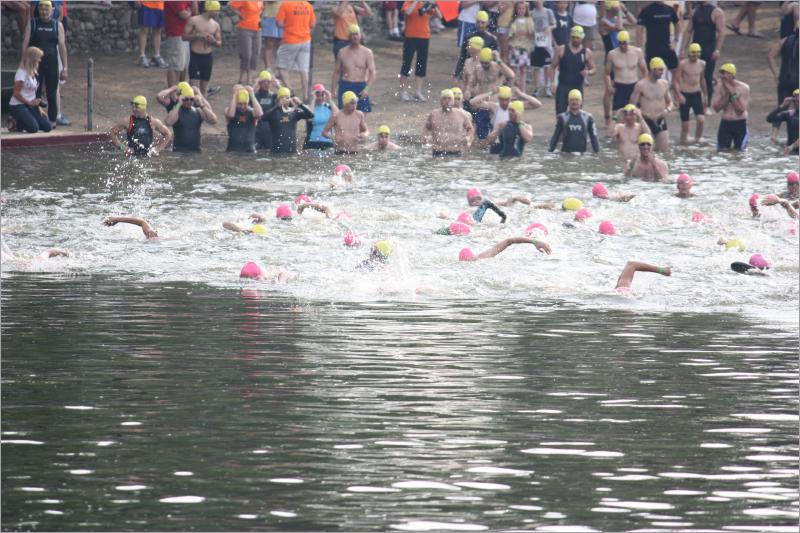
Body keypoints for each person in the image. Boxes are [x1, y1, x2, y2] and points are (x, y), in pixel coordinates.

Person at [21, 0, 68, 127]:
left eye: (47, 9)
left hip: (52, 64)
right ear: (38, 10)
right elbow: (25, 44)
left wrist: (65, 68)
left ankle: (52, 120)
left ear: (52, 11)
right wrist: (23, 63)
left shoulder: (57, 25)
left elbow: (62, 47)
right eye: (41, 9)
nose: (44, 12)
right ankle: (35, 118)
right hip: (35, 66)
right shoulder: (33, 23)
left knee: (52, 93)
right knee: (34, 93)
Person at [683, 1, 725, 107]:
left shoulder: (716, 11)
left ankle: (707, 104)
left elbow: (721, 32)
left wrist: (717, 50)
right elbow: (688, 31)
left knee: (707, 77)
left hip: (709, 49)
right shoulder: (695, 11)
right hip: (695, 49)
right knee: (690, 75)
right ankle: (692, 104)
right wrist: (683, 48)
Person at [467, 48, 516, 139]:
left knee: (496, 130)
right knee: (481, 131)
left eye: (486, 62)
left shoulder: (498, 67)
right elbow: (471, 84)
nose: (484, 65)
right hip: (482, 104)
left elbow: (511, 75)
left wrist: (499, 60)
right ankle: (482, 150)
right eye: (482, 62)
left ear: (491, 60)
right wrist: (468, 91)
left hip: (496, 103)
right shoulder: (478, 69)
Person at [604, 30, 646, 134]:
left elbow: (644, 71)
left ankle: (634, 139)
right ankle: (618, 141)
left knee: (635, 116)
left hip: (634, 87)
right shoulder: (612, 54)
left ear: (629, 41)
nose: (623, 46)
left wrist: (642, 86)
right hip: (619, 87)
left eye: (625, 43)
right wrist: (609, 86)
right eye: (621, 43)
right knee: (617, 117)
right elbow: (606, 73)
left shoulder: (637, 52)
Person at [399, 0, 441, 102]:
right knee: (406, 63)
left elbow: (439, 16)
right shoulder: (408, 2)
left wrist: (434, 5)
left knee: (421, 64)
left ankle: (418, 92)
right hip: (410, 37)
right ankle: (403, 91)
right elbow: (408, 12)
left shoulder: (425, 3)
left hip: (424, 37)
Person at [630, 56, 673, 152]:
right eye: (660, 70)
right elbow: (632, 106)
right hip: (645, 121)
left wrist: (667, 110)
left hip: (660, 120)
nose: (662, 73)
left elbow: (670, 102)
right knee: (647, 151)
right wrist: (643, 114)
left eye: (663, 70)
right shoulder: (641, 85)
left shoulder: (664, 83)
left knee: (664, 151)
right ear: (652, 69)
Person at [550, 25, 596, 115]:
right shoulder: (561, 49)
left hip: (577, 86)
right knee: (560, 114)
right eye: (573, 37)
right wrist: (552, 83)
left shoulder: (586, 52)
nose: (575, 40)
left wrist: (588, 72)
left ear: (582, 38)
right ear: (570, 37)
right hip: (563, 86)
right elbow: (552, 66)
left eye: (578, 38)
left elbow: (593, 68)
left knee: (576, 114)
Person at [276, 0, 316, 101]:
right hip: (306, 39)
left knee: (282, 67)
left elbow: (279, 23)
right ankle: (306, 95)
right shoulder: (308, 5)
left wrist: (289, 25)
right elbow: (312, 24)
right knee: (304, 69)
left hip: (290, 39)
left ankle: (291, 92)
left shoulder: (285, 4)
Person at [470, 85, 541, 139]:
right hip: (496, 141)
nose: (504, 102)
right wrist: (491, 93)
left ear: (511, 98)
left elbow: (537, 104)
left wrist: (520, 94)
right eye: (502, 99)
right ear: (498, 98)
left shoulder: (515, 106)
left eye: (507, 99)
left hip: (511, 140)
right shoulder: (494, 107)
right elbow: (472, 102)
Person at [332, 24, 375, 112]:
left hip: (361, 86)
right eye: (352, 34)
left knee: (361, 116)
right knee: (343, 115)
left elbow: (372, 73)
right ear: (348, 36)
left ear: (360, 35)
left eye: (356, 34)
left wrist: (366, 89)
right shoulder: (342, 52)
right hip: (346, 85)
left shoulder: (367, 53)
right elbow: (336, 72)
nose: (354, 37)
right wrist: (333, 90)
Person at [8, 46, 52, 134]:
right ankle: (15, 122)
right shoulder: (21, 73)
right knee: (33, 128)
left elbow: (32, 93)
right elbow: (16, 93)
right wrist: (29, 102)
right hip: (18, 105)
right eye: (38, 58)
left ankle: (27, 120)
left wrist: (38, 107)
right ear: (32, 59)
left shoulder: (33, 72)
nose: (40, 60)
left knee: (47, 127)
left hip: (30, 105)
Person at [183, 1, 222, 98]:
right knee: (194, 87)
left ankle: (203, 109)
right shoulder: (194, 20)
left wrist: (213, 41)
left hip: (207, 57)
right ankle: (192, 109)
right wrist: (197, 35)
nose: (218, 13)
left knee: (204, 88)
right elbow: (184, 37)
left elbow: (219, 43)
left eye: (218, 10)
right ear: (209, 10)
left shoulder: (215, 25)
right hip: (195, 56)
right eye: (215, 10)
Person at [767, 24, 799, 143]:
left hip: (784, 79)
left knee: (782, 105)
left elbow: (770, 56)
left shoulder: (784, 40)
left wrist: (776, 75)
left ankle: (773, 135)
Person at [165, 84, 217, 152]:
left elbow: (213, 120)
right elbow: (168, 122)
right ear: (181, 98)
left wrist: (201, 105)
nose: (189, 101)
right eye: (186, 99)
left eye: (191, 99)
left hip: (196, 151)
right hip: (179, 151)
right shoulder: (176, 111)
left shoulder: (198, 111)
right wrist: (178, 104)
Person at [423, 89, 474, 156]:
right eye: (444, 98)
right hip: (437, 152)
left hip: (456, 152)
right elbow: (426, 128)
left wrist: (468, 139)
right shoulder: (434, 114)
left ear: (453, 101)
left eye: (449, 99)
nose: (447, 101)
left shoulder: (461, 115)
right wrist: (425, 138)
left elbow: (470, 129)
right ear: (440, 101)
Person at [673, 43, 707, 145]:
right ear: (689, 53)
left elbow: (702, 79)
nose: (695, 56)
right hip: (685, 95)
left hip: (696, 94)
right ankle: (683, 143)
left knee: (701, 120)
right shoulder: (683, 64)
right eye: (693, 54)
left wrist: (706, 96)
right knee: (685, 124)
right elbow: (675, 81)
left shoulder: (702, 64)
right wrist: (679, 95)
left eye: (697, 54)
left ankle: (698, 139)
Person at [712, 63, 750, 151]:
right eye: (720, 73)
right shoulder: (718, 87)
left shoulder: (744, 88)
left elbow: (740, 110)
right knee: (722, 151)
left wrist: (732, 92)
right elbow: (716, 108)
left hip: (740, 123)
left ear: (731, 74)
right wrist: (727, 93)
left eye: (723, 73)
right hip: (725, 124)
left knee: (739, 153)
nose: (721, 76)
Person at [263, 86, 313, 153]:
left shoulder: (294, 112)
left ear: (290, 99)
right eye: (282, 98)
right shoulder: (273, 113)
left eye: (286, 98)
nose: (284, 100)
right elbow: (262, 118)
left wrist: (301, 104)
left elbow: (311, 115)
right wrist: (277, 106)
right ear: (278, 99)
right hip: (276, 152)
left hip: (291, 151)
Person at [548, 89, 599, 153]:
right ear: (568, 102)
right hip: (566, 154)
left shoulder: (588, 118)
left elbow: (594, 137)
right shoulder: (563, 118)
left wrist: (597, 152)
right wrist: (550, 151)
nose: (574, 102)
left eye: (577, 100)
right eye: (572, 100)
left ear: (581, 102)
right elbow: (555, 137)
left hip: (582, 154)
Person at [637, 0, 679, 76]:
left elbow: (677, 23)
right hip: (652, 49)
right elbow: (639, 29)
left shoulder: (669, 9)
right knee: (649, 75)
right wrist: (641, 48)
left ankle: (673, 87)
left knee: (676, 73)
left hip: (667, 48)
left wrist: (675, 40)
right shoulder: (646, 10)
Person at [454, 10, 499, 82]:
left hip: (485, 71)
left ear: (487, 23)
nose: (480, 25)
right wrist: (457, 74)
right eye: (478, 22)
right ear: (475, 22)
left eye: (483, 23)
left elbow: (495, 59)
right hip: (470, 68)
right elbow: (462, 56)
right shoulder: (468, 37)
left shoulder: (492, 39)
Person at [528, 0, 556, 98]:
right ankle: (537, 88)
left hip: (546, 44)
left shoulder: (548, 11)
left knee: (547, 66)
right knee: (536, 67)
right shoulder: (531, 13)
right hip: (536, 43)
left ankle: (547, 87)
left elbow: (554, 24)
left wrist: (549, 28)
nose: (537, 1)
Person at [224, 86, 264, 153]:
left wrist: (252, 95)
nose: (242, 107)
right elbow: (230, 115)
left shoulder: (252, 112)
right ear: (236, 103)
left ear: (248, 103)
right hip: (233, 151)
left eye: (245, 104)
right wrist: (234, 95)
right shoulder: (228, 110)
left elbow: (260, 114)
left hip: (249, 151)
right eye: (240, 104)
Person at [161, 1, 192, 88]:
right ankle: (172, 92)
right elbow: (183, 14)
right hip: (176, 34)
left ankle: (180, 89)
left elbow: (193, 9)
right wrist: (189, 12)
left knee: (183, 65)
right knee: (175, 65)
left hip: (183, 33)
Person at [507, 2, 535, 94]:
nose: (521, 10)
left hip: (525, 49)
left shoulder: (529, 21)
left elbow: (532, 34)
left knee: (523, 70)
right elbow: (511, 35)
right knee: (513, 70)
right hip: (515, 48)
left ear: (526, 10)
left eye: (523, 9)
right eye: (519, 8)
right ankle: (512, 89)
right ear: (516, 9)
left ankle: (522, 91)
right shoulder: (513, 21)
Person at [459, 236, 552, 262]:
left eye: (472, 260)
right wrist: (534, 242)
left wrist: (534, 242)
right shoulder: (482, 258)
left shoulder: (483, 257)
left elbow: (509, 241)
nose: (472, 262)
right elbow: (509, 241)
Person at [135, 1, 167, 69]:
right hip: (146, 4)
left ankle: (157, 56)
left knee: (158, 30)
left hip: (160, 5)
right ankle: (142, 56)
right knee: (144, 29)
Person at [304, 84, 336, 150]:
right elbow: (309, 117)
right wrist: (313, 99)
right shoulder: (309, 107)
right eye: (318, 95)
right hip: (312, 142)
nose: (320, 98)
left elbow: (338, 115)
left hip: (328, 141)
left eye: (322, 95)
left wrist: (330, 99)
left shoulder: (329, 107)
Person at [253, 70, 280, 150]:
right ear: (260, 83)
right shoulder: (255, 96)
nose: (266, 84)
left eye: (268, 82)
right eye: (263, 82)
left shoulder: (273, 96)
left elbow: (287, 97)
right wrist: (255, 85)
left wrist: (278, 86)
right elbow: (247, 96)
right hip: (257, 129)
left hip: (270, 129)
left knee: (269, 151)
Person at [767, 89, 800, 154]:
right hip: (790, 152)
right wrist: (782, 105)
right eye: (795, 101)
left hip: (791, 148)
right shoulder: (789, 114)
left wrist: (792, 146)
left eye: (799, 101)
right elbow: (769, 119)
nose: (797, 104)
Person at [261, 0, 283, 72]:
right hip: (269, 17)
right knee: (269, 44)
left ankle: (280, 68)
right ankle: (268, 68)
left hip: (282, 17)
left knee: (280, 45)